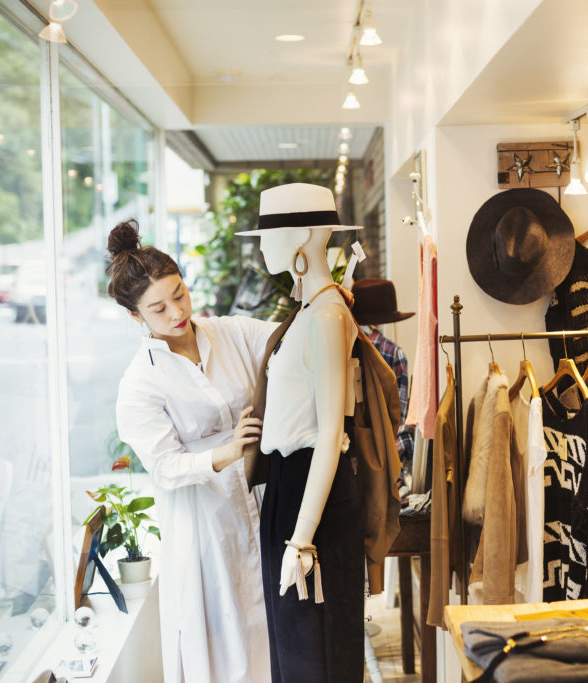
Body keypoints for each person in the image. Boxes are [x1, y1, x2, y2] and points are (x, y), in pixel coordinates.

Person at [107, 219, 273, 683]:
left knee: (270, 634)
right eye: (158, 308)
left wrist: (324, 303)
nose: (177, 312)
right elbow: (163, 467)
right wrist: (225, 454)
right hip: (202, 522)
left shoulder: (231, 333)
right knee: (224, 642)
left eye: (179, 294)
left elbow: (288, 340)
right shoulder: (140, 383)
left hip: (259, 503)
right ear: (136, 316)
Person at [237, 183, 365, 682]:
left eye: (270, 234)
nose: (262, 246)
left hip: (314, 496)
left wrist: (303, 538)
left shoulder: (329, 316)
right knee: (291, 646)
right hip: (287, 492)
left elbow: (332, 432)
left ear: (303, 237)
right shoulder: (307, 315)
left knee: (318, 649)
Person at [350, 278, 415, 470]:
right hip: (384, 460)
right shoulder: (394, 353)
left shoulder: (340, 347)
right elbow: (400, 422)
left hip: (344, 460)